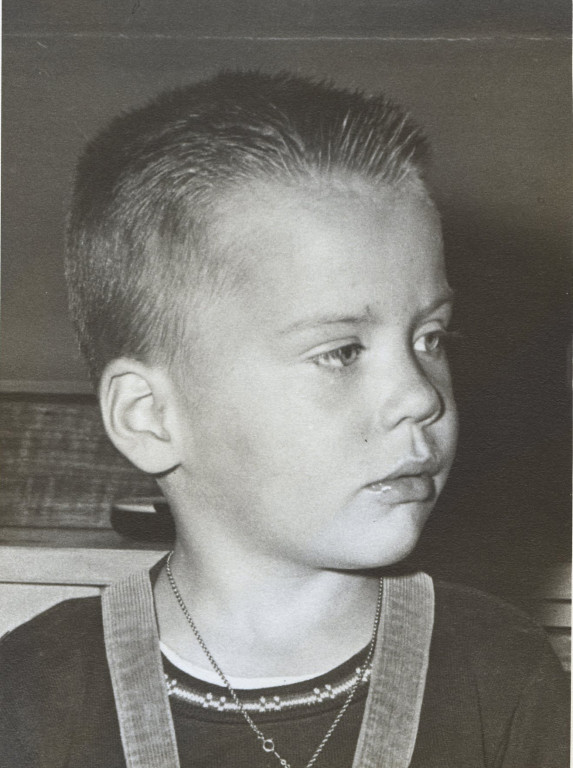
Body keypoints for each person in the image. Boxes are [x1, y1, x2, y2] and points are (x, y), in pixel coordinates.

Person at [0, 71, 568, 768]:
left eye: (430, 338)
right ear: (150, 417)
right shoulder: (29, 694)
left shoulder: (502, 676)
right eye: (341, 351)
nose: (420, 396)